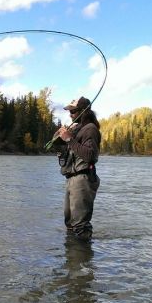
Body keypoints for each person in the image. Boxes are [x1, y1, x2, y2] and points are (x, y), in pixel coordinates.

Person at [55, 97, 101, 242]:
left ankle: (83, 261)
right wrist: (59, 138)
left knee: (80, 226)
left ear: (84, 112)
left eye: (74, 111)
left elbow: (90, 155)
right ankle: (72, 260)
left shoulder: (90, 129)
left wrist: (69, 139)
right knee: (69, 223)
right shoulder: (76, 129)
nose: (70, 114)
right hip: (71, 179)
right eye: (70, 111)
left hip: (83, 178)